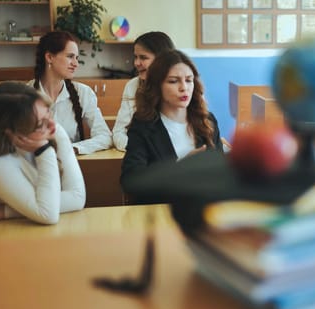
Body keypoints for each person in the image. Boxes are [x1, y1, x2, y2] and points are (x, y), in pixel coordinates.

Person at [0, 82, 86, 224]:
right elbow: (48, 214)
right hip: (2, 235)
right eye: (39, 124)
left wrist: (4, 211)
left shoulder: (54, 131)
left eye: (48, 112)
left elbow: (77, 198)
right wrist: (44, 150)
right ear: (12, 133)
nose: (52, 125)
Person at [120, 49, 224, 202]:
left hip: (202, 211)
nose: (184, 88)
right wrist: (179, 169)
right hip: (161, 213)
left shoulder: (207, 120)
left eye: (189, 80)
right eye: (173, 81)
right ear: (157, 86)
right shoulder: (144, 125)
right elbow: (131, 181)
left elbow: (221, 175)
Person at [30, 31, 112, 155]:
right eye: (70, 56)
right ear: (49, 57)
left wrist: (71, 149)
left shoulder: (83, 93)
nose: (76, 64)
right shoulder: (25, 95)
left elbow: (105, 136)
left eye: (77, 58)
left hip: (71, 167)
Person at [112, 31, 176, 151]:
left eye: (143, 58)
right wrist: (142, 150)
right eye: (135, 57)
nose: (136, 63)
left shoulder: (182, 87)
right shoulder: (132, 86)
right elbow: (118, 132)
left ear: (162, 59)